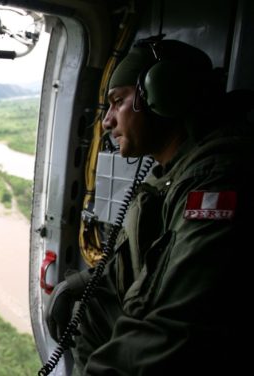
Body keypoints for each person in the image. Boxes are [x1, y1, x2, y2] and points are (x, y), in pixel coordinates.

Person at [49, 38, 254, 375]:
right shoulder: (171, 173)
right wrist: (77, 284)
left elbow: (181, 322)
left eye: (118, 102)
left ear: (162, 96)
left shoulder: (216, 178)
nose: (107, 122)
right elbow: (148, 265)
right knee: (87, 307)